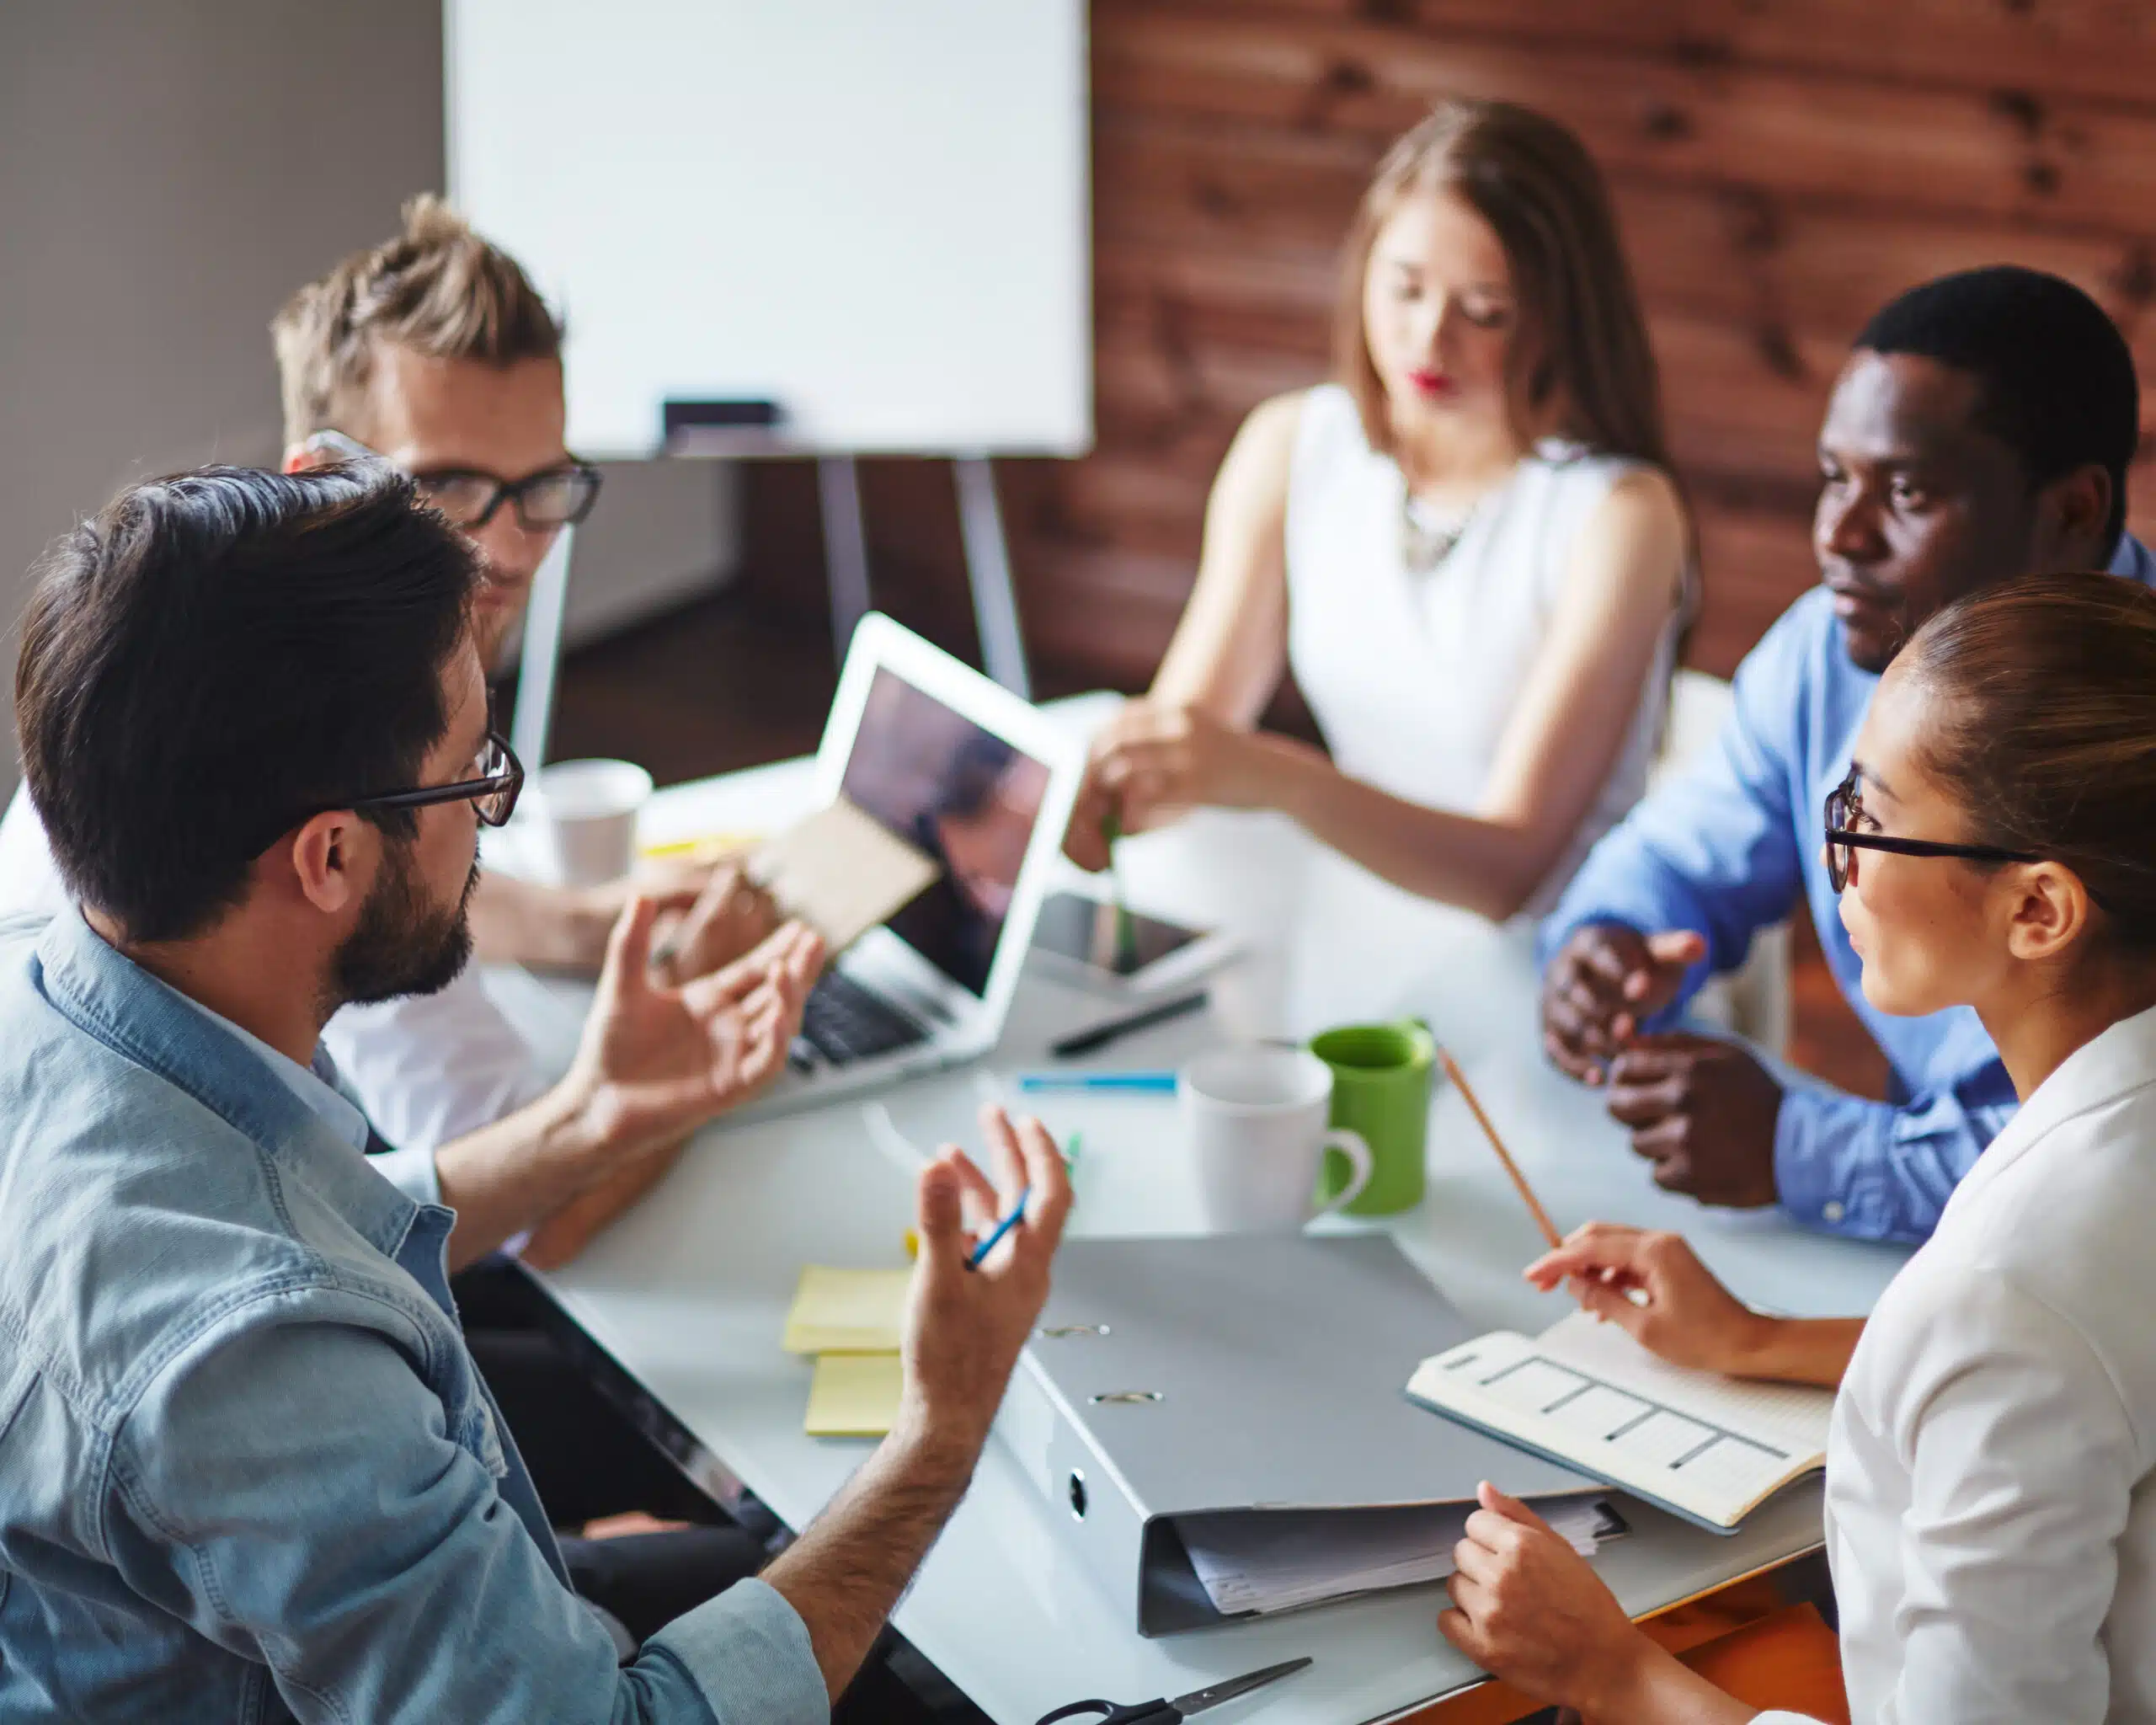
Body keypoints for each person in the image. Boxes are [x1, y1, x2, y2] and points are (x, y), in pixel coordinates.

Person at [0, 462, 1074, 1721]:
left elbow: (258, 1217)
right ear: (331, 856)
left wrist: (594, 1117)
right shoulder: (256, 1361)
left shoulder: (57, 991)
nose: (486, 822)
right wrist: (941, 1429)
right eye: (474, 776)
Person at [0, 195, 779, 1258]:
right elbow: (520, 1211)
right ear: (322, 478)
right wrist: (700, 1034)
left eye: (540, 485)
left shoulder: (183, 659)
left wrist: (579, 926)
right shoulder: (322, 747)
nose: (505, 549)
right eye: (448, 485)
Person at [1444, 571, 2156, 1722]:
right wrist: (1757, 1338)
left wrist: (1611, 1673)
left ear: (2038, 912)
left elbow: (2027, 1342)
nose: (1837, 866)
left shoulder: (2012, 1291)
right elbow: (2086, 1365)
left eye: (1867, 821)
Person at [1539, 265, 2155, 1240]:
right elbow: (1676, 850)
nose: (1838, 533)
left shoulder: (2134, 738)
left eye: (1906, 490)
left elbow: (2108, 1170)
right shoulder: (1824, 650)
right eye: (1835, 477)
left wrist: (1803, 1147)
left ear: (2073, 510)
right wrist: (1605, 939)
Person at [1065, 97, 1691, 922]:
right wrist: (1091, 797)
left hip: (1563, 959)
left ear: (1557, 316)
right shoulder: (1294, 444)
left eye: (1484, 311)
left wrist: (1273, 776)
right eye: (1404, 289)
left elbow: (1508, 872)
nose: (1429, 341)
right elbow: (1190, 737)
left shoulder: (1620, 516)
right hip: (1364, 917)